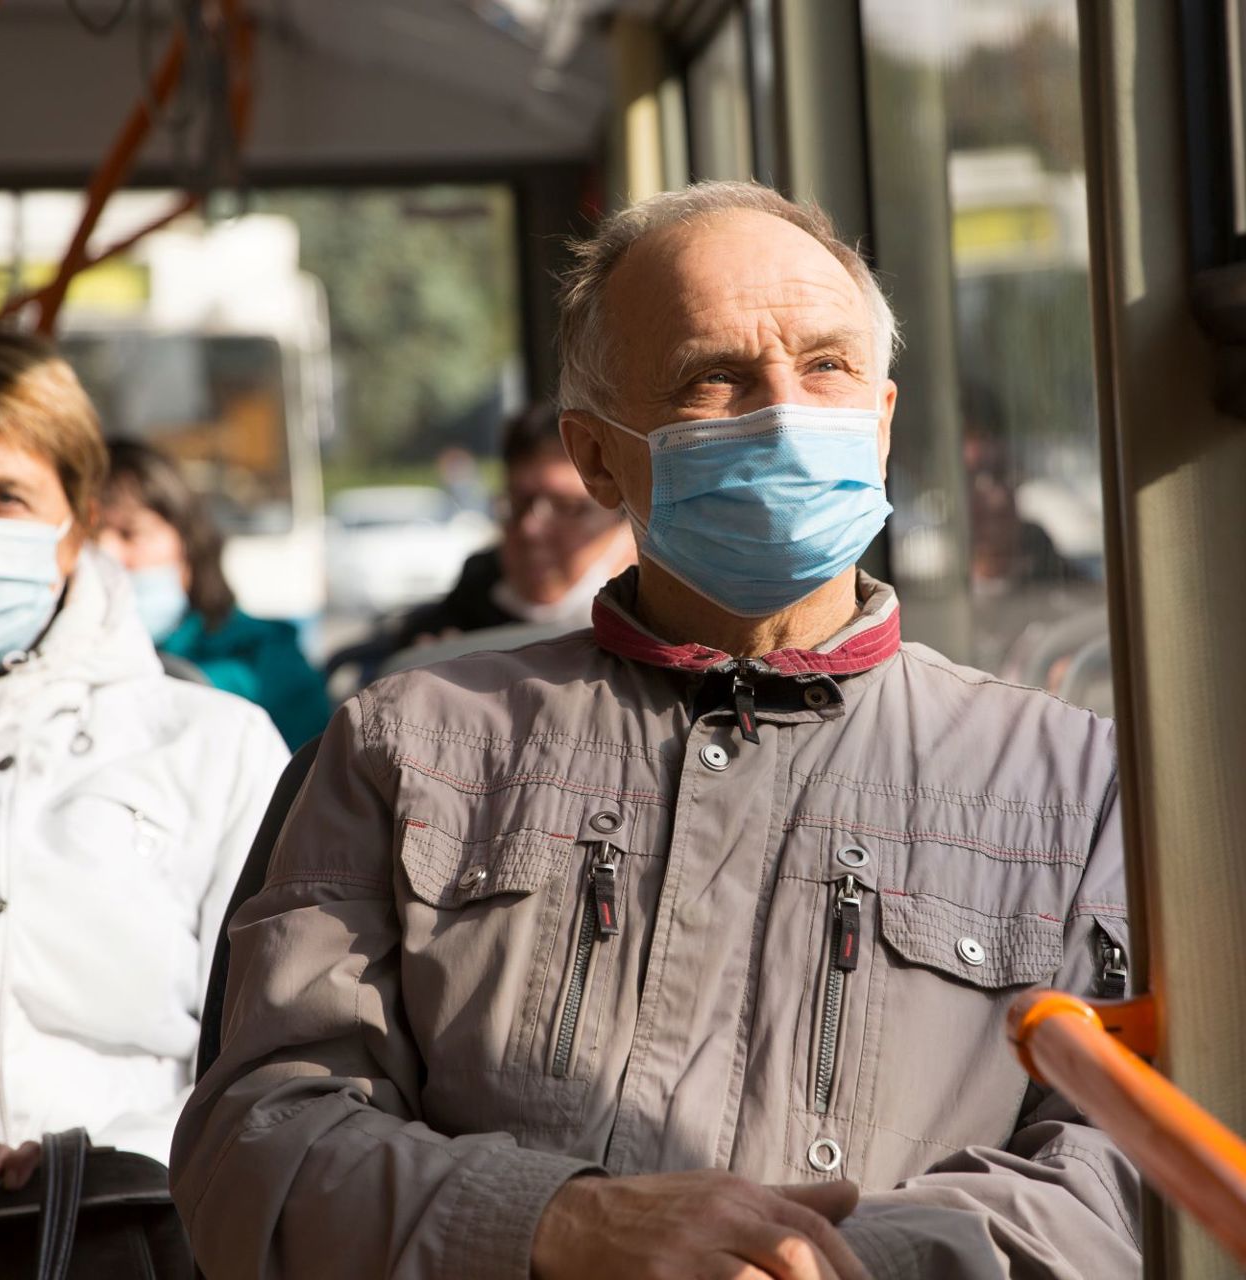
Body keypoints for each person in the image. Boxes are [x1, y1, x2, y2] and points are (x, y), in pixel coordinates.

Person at [173, 182, 1137, 1278]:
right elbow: (256, 1144)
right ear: (596, 457)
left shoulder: (1071, 780)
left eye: (825, 367)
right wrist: (552, 1223)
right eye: (711, 377)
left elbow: (1121, 1169)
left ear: (879, 416)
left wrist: (819, 1258)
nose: (783, 411)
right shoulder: (410, 747)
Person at [0, 330, 288, 1206]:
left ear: (77, 523)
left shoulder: (214, 748)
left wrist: (92, 1166)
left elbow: (282, 1057)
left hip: (139, 1227)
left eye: (4, 496)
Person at [330, 401, 635, 683]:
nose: (530, 528)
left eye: (567, 507)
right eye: (518, 504)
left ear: (624, 518)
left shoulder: (657, 619)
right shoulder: (465, 607)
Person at [98, 438, 332, 751]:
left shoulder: (261, 660)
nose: (105, 554)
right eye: (86, 537)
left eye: (131, 534)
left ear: (188, 544)